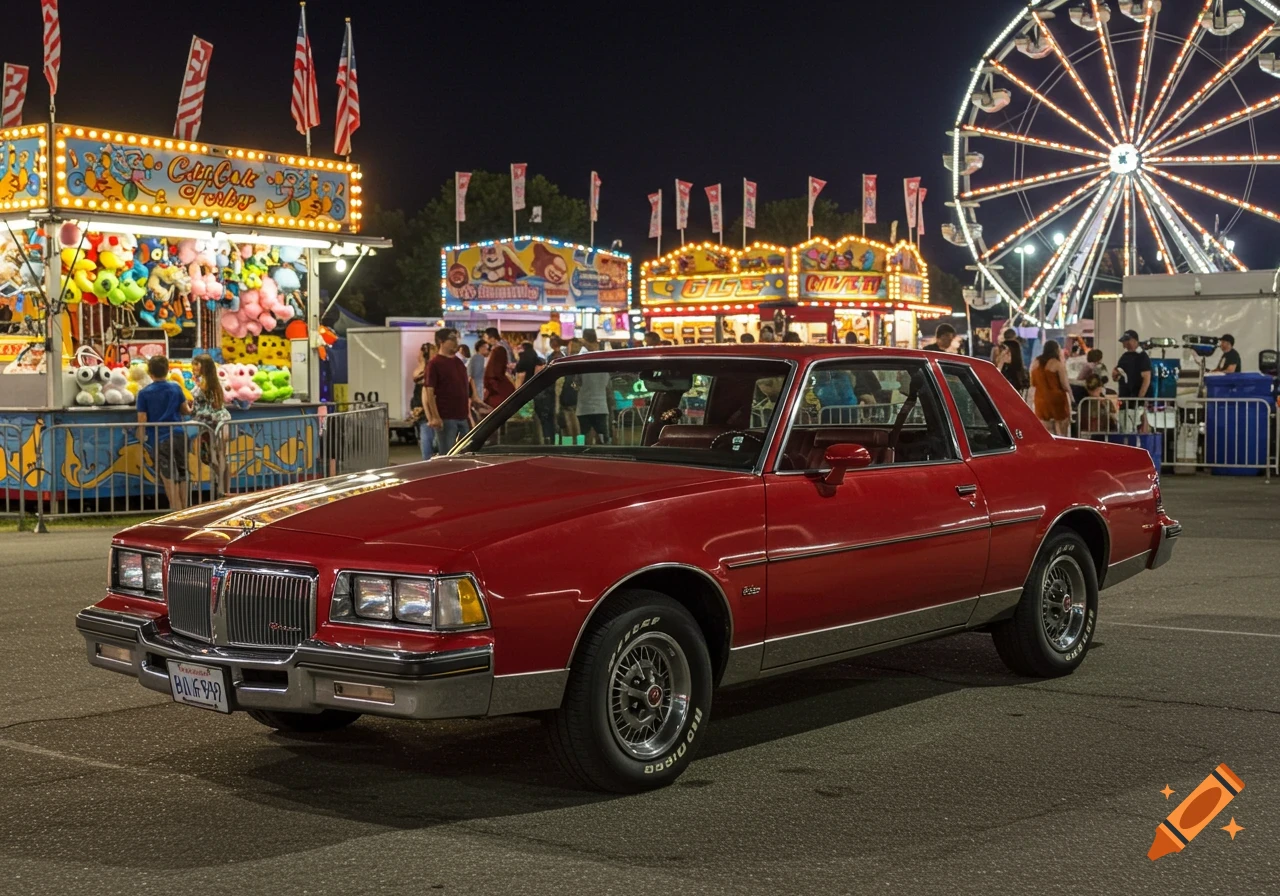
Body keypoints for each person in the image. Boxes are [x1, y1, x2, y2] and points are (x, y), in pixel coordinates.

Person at [136, 354, 192, 510]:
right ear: (167, 370)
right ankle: (185, 508)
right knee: (182, 472)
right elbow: (185, 410)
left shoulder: (144, 393)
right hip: (179, 433)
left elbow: (142, 418)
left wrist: (140, 434)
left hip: (160, 437)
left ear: (149, 372)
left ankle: (175, 508)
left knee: (167, 475)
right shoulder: (176, 387)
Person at [424, 327, 472, 458]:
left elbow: (464, 386)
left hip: (462, 416)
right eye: (452, 339)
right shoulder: (434, 364)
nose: (456, 342)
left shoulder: (458, 362)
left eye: (456, 338)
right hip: (447, 417)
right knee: (448, 456)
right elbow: (429, 391)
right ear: (441, 341)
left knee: (466, 455)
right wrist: (435, 416)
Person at [190, 354, 231, 497]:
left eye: (197, 364)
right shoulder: (210, 382)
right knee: (215, 457)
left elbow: (209, 406)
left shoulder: (206, 383)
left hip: (213, 424)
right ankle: (223, 488)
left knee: (217, 456)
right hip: (211, 424)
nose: (194, 367)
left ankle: (222, 489)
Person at [575, 329, 611, 445]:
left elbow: (576, 383)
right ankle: (603, 459)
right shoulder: (604, 358)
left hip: (584, 406)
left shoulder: (580, 359)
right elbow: (608, 385)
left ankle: (588, 459)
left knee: (586, 438)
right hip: (601, 405)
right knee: (602, 438)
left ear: (584, 339)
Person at [1030, 340, 1072, 435]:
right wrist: (1072, 397)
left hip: (1041, 399)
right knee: (1061, 433)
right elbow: (1065, 385)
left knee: (1046, 433)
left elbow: (1032, 382)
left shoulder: (1036, 362)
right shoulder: (1057, 364)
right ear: (1056, 350)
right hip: (1058, 400)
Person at [1113, 329, 1152, 432]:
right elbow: (1117, 374)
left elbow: (1146, 378)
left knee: (1134, 428)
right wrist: (1115, 374)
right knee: (1124, 428)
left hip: (1135, 402)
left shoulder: (1142, 357)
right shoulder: (1124, 357)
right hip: (1124, 400)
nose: (1125, 344)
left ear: (1135, 341)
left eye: (1127, 341)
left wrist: (1139, 398)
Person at [412, 343, 438, 460]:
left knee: (427, 439)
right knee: (429, 438)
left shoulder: (424, 369)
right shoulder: (427, 369)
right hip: (424, 409)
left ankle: (428, 463)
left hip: (422, 410)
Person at [483, 328, 516, 407]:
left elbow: (500, 366)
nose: (485, 340)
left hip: (500, 379)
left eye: (486, 337)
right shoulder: (499, 347)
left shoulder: (499, 348)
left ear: (492, 338)